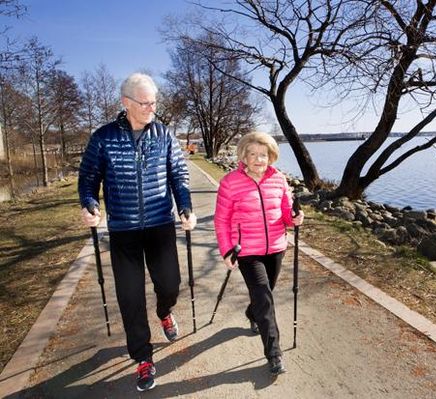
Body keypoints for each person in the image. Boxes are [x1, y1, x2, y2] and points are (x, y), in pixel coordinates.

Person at [78, 72, 197, 392]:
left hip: (160, 225)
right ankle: (143, 357)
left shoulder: (164, 135)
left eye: (154, 102)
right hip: (123, 230)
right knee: (130, 297)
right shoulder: (103, 138)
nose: (151, 108)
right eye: (144, 103)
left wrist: (185, 207)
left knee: (170, 284)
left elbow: (179, 175)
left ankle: (165, 312)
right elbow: (88, 178)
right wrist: (89, 204)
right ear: (126, 103)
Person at [213, 132, 304, 376]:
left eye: (262, 155)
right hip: (247, 251)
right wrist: (226, 250)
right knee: (264, 296)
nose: (257, 159)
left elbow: (285, 214)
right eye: (252, 154)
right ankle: (274, 353)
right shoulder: (230, 182)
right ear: (243, 156)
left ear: (271, 156)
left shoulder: (279, 180)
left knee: (265, 294)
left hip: (276, 247)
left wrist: (294, 218)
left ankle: (251, 313)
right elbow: (221, 220)